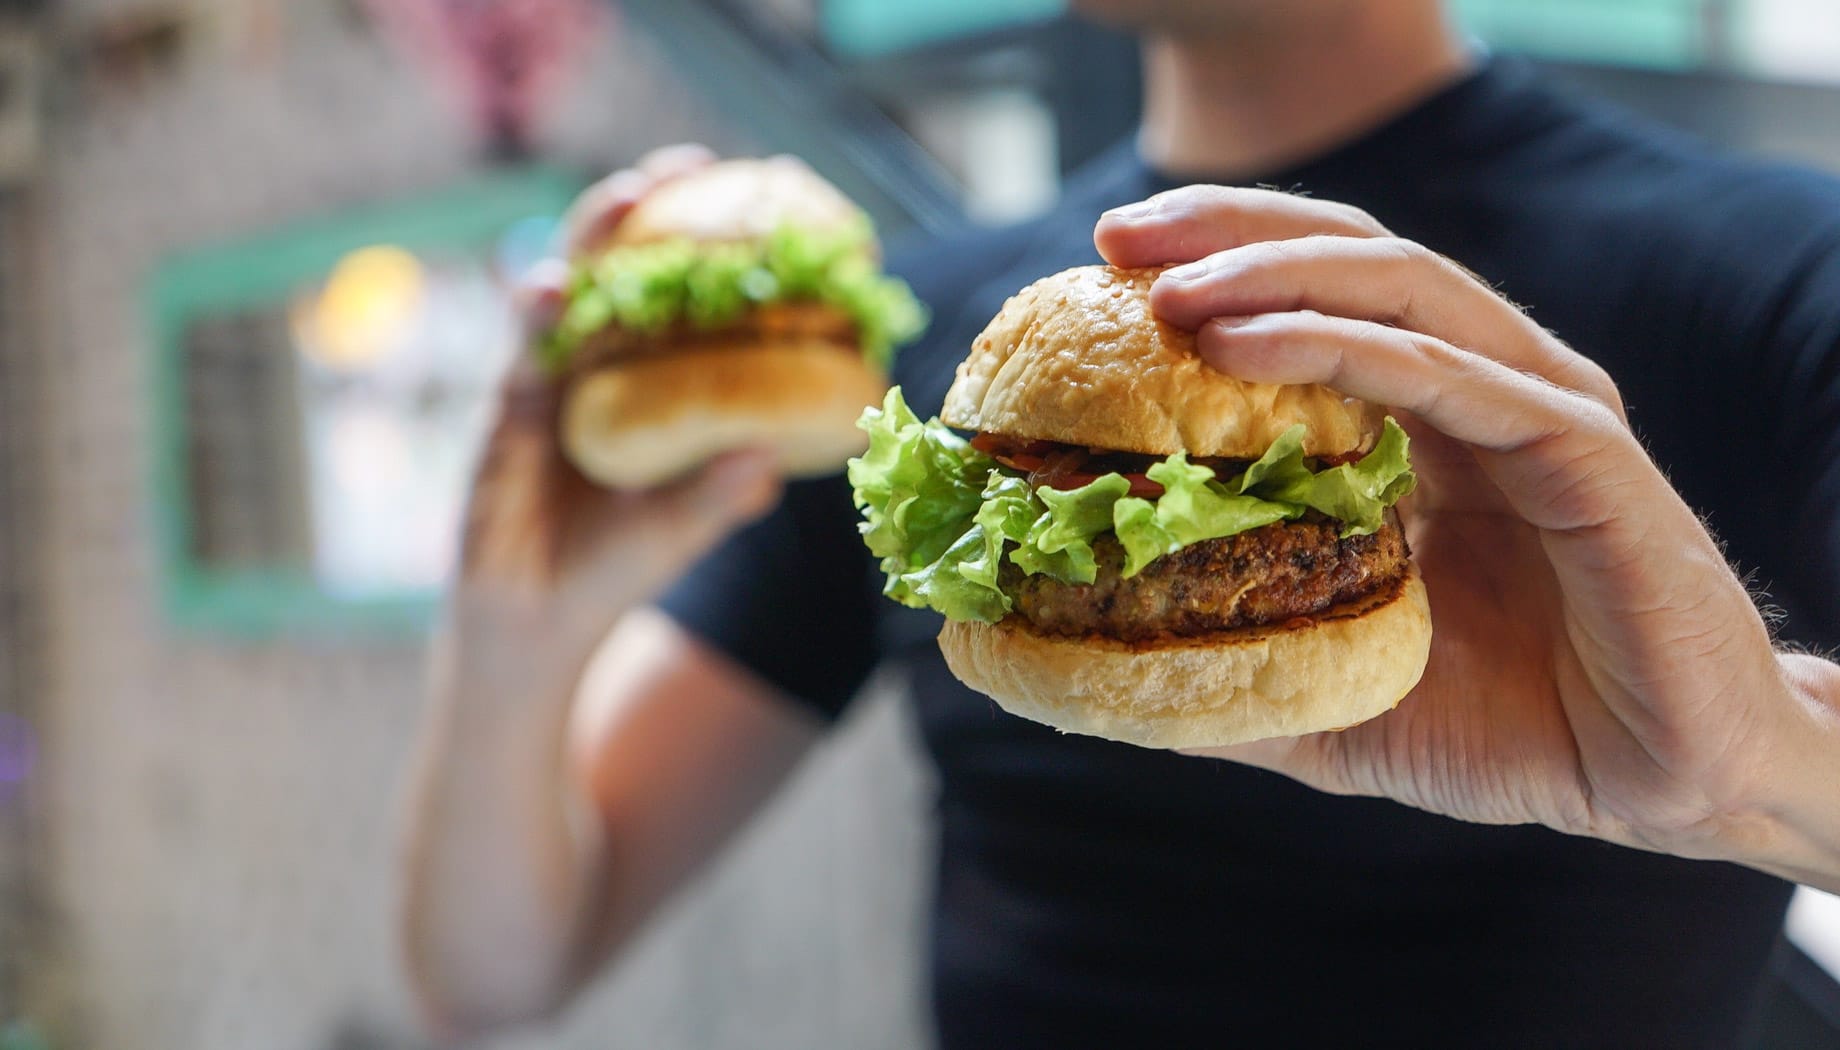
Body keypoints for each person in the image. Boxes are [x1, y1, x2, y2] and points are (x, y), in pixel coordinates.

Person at [399, 1, 1840, 1045]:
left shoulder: (1782, 274)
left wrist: (1756, 770)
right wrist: (511, 639)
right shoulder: (928, 351)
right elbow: (497, 973)